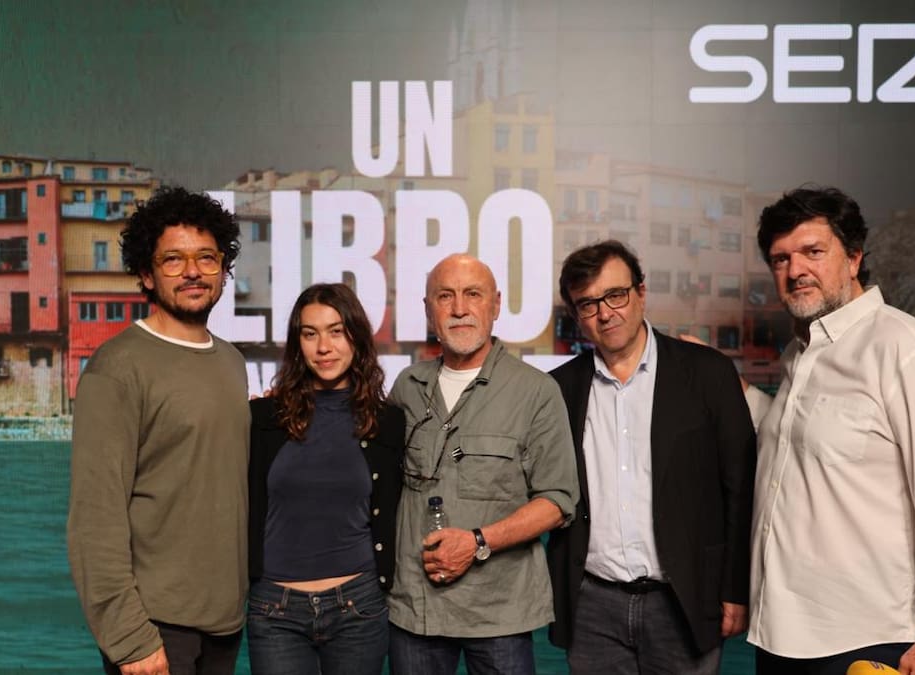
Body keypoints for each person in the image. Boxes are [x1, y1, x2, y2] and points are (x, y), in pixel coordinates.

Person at [749, 186, 915, 674]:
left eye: (813, 252)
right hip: (780, 638)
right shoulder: (801, 355)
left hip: (869, 641)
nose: (795, 269)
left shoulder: (907, 352)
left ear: (855, 257)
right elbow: (802, 443)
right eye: (780, 259)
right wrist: (716, 380)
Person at [547, 240, 757, 674]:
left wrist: (735, 588)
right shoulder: (559, 389)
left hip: (683, 600)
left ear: (641, 293)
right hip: (592, 606)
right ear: (577, 316)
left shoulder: (708, 372)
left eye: (615, 295)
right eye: (587, 304)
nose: (605, 313)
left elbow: (740, 488)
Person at [67, 187, 249, 675]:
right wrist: (128, 639)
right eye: (173, 260)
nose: (193, 271)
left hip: (225, 625)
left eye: (206, 258)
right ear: (146, 274)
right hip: (155, 629)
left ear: (223, 270)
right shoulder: (118, 367)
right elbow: (94, 518)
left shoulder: (232, 361)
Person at [386, 253, 579, 674]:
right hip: (415, 610)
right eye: (445, 296)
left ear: (494, 305)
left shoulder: (536, 392)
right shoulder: (406, 387)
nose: (459, 308)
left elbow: (558, 499)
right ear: (427, 309)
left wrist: (475, 542)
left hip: (499, 615)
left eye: (472, 295)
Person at [245, 282, 404, 674]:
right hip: (275, 608)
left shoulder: (387, 423)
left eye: (336, 331)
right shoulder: (263, 419)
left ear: (356, 336)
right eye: (310, 333)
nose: (324, 347)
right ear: (297, 343)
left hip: (358, 606)